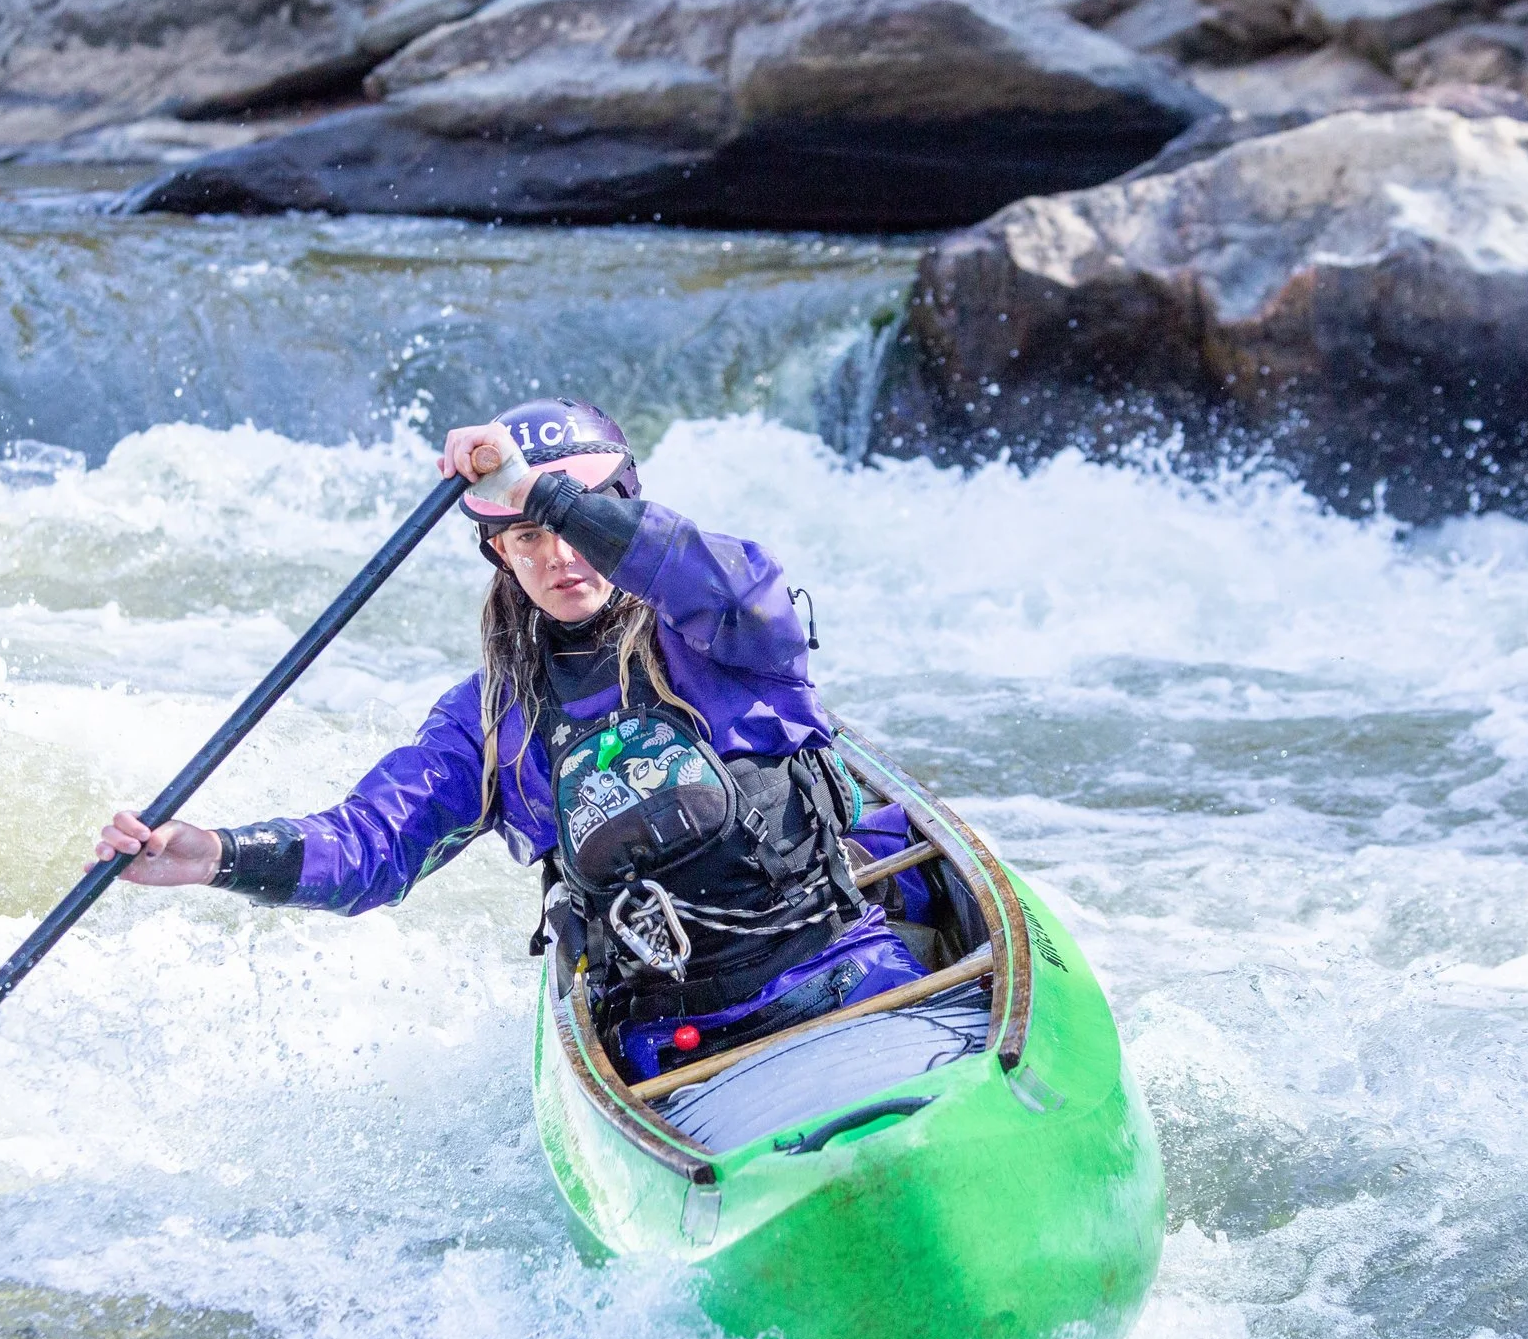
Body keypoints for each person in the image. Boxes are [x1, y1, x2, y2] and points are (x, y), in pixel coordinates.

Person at [91, 399, 925, 1083]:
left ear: (621, 512)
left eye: (579, 522)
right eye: (526, 536)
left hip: (847, 979)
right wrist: (211, 855)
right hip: (679, 1057)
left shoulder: (725, 634)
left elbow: (735, 585)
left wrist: (535, 488)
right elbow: (371, 845)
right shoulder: (489, 718)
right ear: (499, 552)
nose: (560, 555)